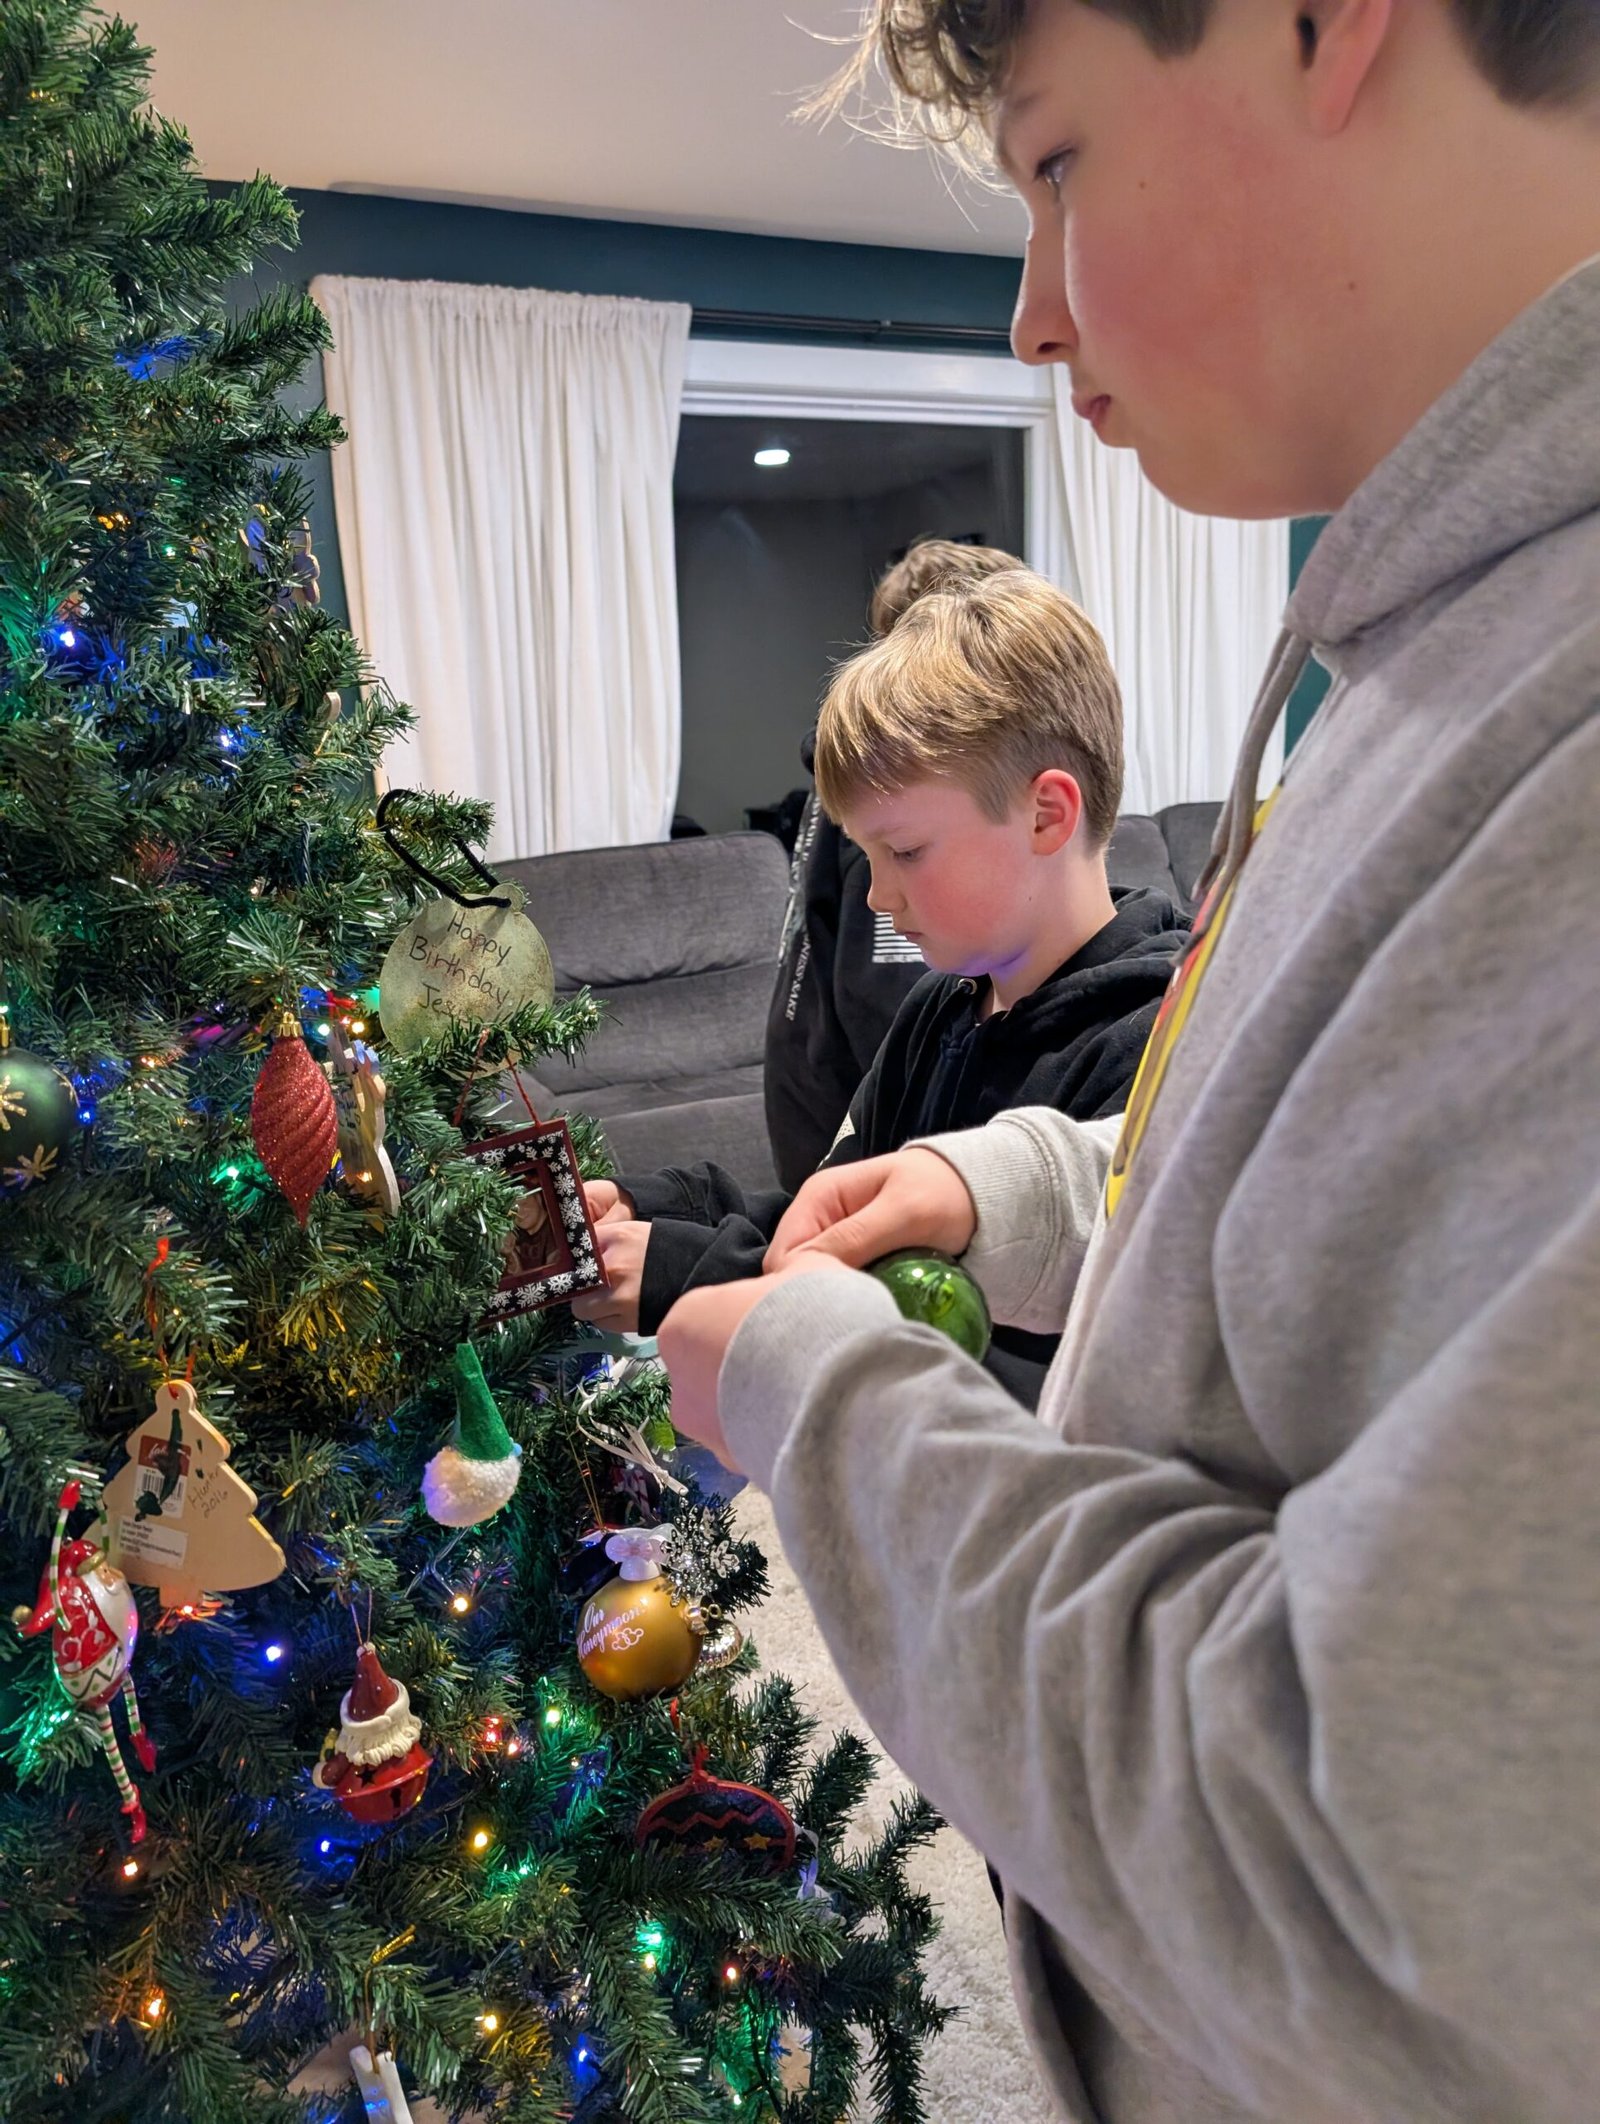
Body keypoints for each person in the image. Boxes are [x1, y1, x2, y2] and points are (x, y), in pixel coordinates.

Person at [654, 5, 1600, 2122]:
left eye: (1057, 164)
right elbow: (1361, 1186)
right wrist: (1015, 1191)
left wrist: (820, 1394)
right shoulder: (1433, 663)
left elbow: (1389, 1926)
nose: (1022, 319)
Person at [573, 568, 1188, 1408]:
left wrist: (693, 1274)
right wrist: (660, 1207)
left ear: (1048, 815)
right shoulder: (941, 1007)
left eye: (904, 852)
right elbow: (835, 1220)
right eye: (867, 856)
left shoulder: (1151, 1046)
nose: (876, 896)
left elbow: (996, 1370)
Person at [766, 536, 1024, 1188]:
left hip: (810, 1078)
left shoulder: (849, 785)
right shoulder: (890, 807)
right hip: (851, 1118)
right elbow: (887, 996)